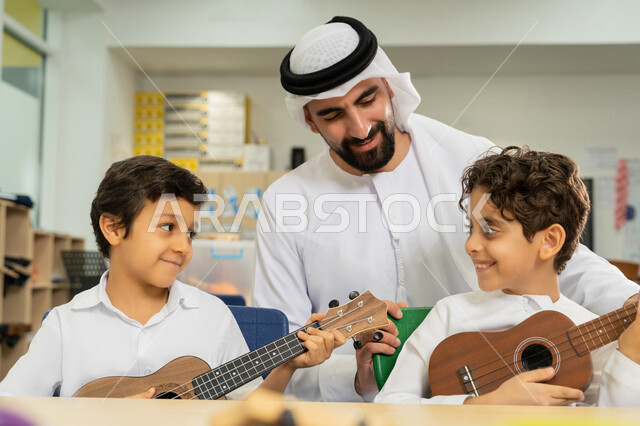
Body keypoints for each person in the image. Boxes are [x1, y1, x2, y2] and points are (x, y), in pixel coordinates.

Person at [253, 16, 640, 402]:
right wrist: (356, 376)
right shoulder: (285, 201)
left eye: (368, 99)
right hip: (354, 410)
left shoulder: (467, 156)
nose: (358, 127)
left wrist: (628, 300)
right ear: (308, 119)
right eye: (333, 115)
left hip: (502, 388)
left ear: (389, 87)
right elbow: (279, 349)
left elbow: (553, 257)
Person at [0, 155, 344, 398]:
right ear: (113, 228)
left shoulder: (212, 317)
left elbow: (248, 414)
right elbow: (11, 409)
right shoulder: (66, 324)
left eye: (190, 234)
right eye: (167, 227)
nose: (183, 247)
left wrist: (287, 367)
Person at [375, 146, 640, 406]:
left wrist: (629, 354)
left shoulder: (598, 337)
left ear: (549, 241)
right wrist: (482, 405)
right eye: (472, 229)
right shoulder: (451, 314)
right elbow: (390, 404)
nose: (470, 245)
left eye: (490, 230)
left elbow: (617, 417)